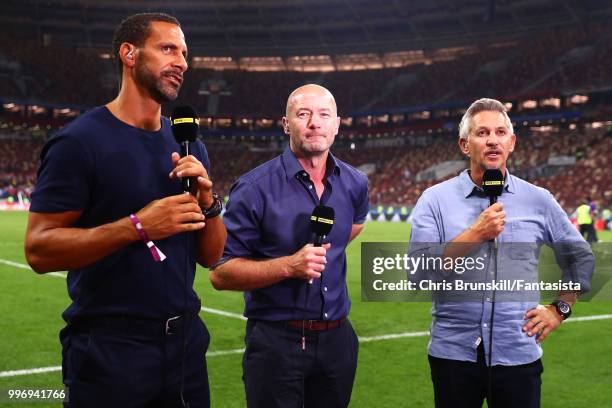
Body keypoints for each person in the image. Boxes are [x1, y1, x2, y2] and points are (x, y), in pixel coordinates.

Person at [24, 13, 226, 408]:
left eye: (184, 53)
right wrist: (138, 226)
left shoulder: (190, 146)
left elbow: (212, 256)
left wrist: (209, 203)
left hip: (186, 347)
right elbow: (39, 250)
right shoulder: (79, 142)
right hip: (110, 352)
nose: (182, 62)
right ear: (129, 54)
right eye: (168, 48)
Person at [409, 98, 594, 408]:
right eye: (482, 133)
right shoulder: (434, 200)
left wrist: (559, 308)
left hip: (518, 353)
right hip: (453, 356)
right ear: (465, 145)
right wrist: (475, 234)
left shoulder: (538, 199)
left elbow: (581, 257)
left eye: (499, 132)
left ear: (511, 143)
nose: (492, 140)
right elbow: (417, 274)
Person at [209, 84, 369, 408]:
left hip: (338, 339)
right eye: (303, 114)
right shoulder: (253, 188)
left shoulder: (355, 183)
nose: (314, 122)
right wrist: (288, 266)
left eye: (324, 114)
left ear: (337, 125)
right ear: (286, 124)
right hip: (276, 341)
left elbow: (354, 226)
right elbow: (220, 272)